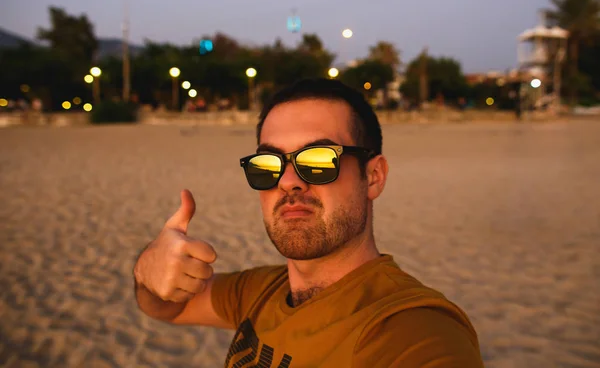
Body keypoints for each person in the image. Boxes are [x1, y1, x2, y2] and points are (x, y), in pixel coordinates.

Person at [133, 78, 484, 367]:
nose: (288, 182)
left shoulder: (411, 330)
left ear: (374, 176)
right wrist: (149, 271)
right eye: (268, 164)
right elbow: (168, 306)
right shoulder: (260, 292)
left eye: (317, 160)